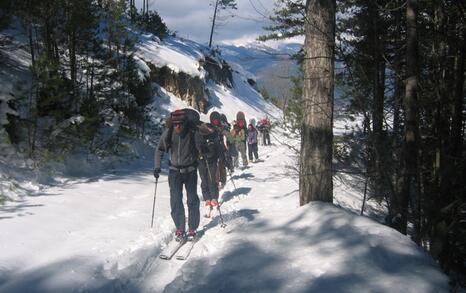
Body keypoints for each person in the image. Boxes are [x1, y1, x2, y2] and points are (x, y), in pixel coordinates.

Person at [153, 109, 203, 241]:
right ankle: (180, 228)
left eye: (180, 124)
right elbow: (159, 149)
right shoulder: (169, 133)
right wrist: (157, 166)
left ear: (185, 122)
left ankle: (192, 228)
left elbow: (201, 148)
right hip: (174, 172)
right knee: (175, 201)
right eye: (175, 124)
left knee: (192, 200)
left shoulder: (192, 132)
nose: (177, 126)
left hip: (191, 171)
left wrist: (203, 151)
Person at [197, 121, 224, 217]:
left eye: (211, 130)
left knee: (212, 180)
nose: (210, 131)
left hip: (212, 161)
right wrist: (200, 150)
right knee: (204, 180)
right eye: (209, 130)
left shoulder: (214, 135)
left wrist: (222, 157)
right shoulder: (199, 134)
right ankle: (207, 198)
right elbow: (195, 147)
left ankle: (214, 198)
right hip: (201, 161)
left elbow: (219, 147)